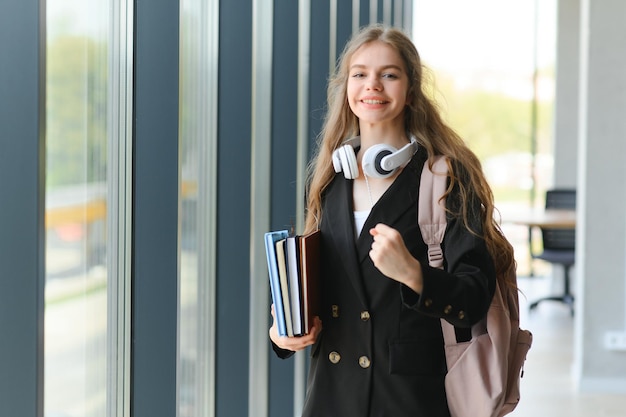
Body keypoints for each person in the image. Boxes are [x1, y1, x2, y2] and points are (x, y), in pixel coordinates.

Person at [269, 23, 516, 417]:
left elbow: (474, 297)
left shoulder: (445, 179)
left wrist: (414, 274)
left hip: (409, 398)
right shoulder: (330, 180)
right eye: (360, 74)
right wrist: (283, 331)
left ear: (411, 89)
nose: (373, 86)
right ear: (345, 87)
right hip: (333, 396)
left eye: (389, 75)